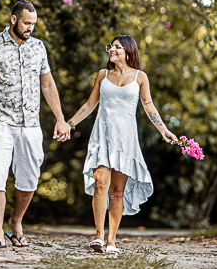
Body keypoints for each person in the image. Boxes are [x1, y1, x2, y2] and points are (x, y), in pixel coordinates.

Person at [0, 0, 70, 248]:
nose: (30, 28)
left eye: (33, 24)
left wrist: (60, 118)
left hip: (31, 123)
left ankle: (16, 222)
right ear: (14, 19)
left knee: (30, 178)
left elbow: (47, 84)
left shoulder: (38, 47)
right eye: (26, 23)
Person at [67, 35, 177, 255]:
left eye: (117, 47)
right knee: (101, 183)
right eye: (111, 46)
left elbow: (149, 106)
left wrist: (164, 130)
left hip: (125, 140)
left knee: (117, 192)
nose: (112, 49)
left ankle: (112, 241)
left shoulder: (140, 77)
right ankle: (99, 237)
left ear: (128, 51)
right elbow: (90, 105)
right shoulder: (103, 75)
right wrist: (69, 124)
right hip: (103, 136)